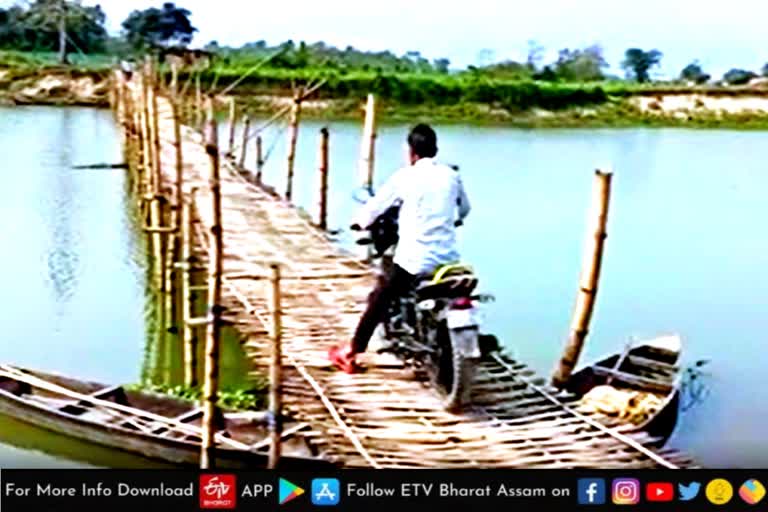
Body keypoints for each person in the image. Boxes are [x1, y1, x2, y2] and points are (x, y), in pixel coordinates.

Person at [328, 124, 471, 373]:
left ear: (411, 152)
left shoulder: (404, 177)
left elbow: (374, 207)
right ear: (435, 149)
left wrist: (359, 223)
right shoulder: (451, 175)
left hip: (414, 259)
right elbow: (465, 209)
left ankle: (351, 351)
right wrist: (454, 219)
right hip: (449, 260)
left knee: (380, 296)